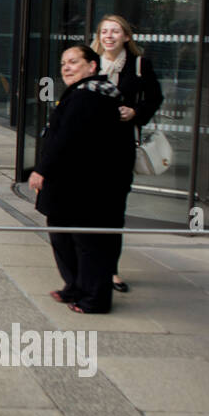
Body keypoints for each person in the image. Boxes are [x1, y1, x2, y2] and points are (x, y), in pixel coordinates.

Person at [27, 44, 133, 314]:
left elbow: (67, 140)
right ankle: (75, 287)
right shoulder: (84, 93)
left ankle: (94, 299)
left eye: (74, 62)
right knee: (64, 236)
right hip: (73, 186)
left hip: (86, 188)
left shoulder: (89, 96)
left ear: (92, 67)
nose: (66, 67)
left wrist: (41, 170)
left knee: (88, 244)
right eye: (64, 62)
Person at [91, 14, 164, 293]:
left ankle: (111, 270)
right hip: (89, 145)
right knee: (89, 209)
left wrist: (136, 112)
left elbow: (155, 98)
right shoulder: (90, 62)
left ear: (126, 37)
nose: (109, 36)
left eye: (115, 31)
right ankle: (89, 265)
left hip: (120, 146)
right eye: (104, 31)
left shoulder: (139, 65)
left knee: (113, 211)